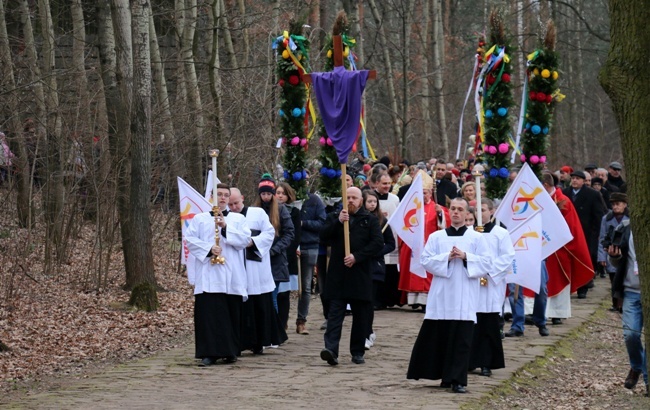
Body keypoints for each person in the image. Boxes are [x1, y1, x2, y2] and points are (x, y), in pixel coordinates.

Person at [407, 198, 491, 393]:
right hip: (442, 294)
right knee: (441, 337)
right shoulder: (437, 237)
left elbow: (487, 263)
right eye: (452, 209)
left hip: (465, 293)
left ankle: (458, 379)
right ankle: (445, 376)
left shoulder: (477, 238)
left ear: (467, 213)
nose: (455, 212)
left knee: (461, 339)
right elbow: (425, 260)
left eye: (460, 209)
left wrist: (466, 256)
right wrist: (446, 256)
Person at [185, 183, 251, 366]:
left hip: (231, 275)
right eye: (219, 194)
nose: (222, 198)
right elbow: (190, 239)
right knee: (210, 314)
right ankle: (209, 352)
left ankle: (230, 351)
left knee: (230, 313)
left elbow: (245, 240)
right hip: (209, 274)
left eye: (225, 195)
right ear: (212, 197)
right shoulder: (199, 219)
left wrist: (225, 228)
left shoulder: (238, 219)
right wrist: (208, 249)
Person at [319, 187, 384, 366]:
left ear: (361, 201)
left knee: (361, 316)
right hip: (338, 275)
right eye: (347, 197)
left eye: (354, 198)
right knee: (335, 315)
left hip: (360, 275)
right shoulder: (335, 217)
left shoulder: (369, 220)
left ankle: (357, 351)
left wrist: (357, 257)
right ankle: (331, 349)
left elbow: (378, 243)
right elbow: (323, 237)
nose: (351, 201)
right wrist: (338, 222)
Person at [228, 188, 287, 354]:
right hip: (237, 267)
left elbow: (269, 233)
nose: (233, 207)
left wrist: (253, 242)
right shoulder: (227, 218)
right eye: (230, 204)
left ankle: (260, 342)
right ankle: (239, 342)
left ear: (243, 199)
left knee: (260, 305)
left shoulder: (257, 213)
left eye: (236, 203)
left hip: (256, 267)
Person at [468, 199, 515, 377]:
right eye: (476, 210)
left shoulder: (500, 233)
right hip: (472, 283)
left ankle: (486, 362)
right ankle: (470, 360)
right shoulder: (470, 233)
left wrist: (488, 271)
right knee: (472, 324)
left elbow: (507, 256)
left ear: (492, 211)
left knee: (488, 324)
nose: (480, 214)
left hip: (490, 285)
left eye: (483, 210)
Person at [542, 172, 594, 323]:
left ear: (546, 185)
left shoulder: (563, 201)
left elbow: (570, 227)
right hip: (541, 246)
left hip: (558, 248)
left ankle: (558, 312)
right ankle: (539, 312)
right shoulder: (540, 200)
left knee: (557, 279)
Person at [607, 217, 648, 396]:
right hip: (631, 291)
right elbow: (618, 262)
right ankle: (637, 366)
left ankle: (648, 381)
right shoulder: (626, 228)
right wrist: (613, 256)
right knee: (631, 334)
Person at [398, 171, 450, 311]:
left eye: (425, 192)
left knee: (427, 274)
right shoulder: (411, 208)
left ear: (431, 192)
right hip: (414, 247)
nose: (423, 195)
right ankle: (414, 300)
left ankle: (426, 301)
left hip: (430, 246)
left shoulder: (437, 208)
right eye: (420, 192)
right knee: (414, 273)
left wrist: (440, 214)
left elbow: (444, 225)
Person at [252, 175, 295, 312]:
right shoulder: (254, 210)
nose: (266, 197)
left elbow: (289, 233)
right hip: (258, 258)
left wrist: (274, 250)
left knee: (272, 297)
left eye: (268, 194)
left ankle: (274, 329)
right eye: (263, 194)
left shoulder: (280, 210)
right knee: (259, 299)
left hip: (275, 260)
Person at [562, 170, 605, 298]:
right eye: (573, 178)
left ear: (583, 181)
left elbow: (598, 215)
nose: (574, 181)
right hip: (567, 232)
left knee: (584, 259)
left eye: (577, 179)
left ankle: (583, 286)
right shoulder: (564, 193)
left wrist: (596, 233)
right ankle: (568, 286)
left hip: (586, 233)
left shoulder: (592, 194)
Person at [362, 190, 395, 349]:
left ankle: (367, 332)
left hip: (375, 267)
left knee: (369, 301)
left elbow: (391, 243)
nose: (372, 204)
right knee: (361, 302)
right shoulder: (358, 219)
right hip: (360, 264)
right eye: (369, 201)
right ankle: (362, 331)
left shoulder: (383, 221)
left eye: (374, 202)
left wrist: (377, 251)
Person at [295, 186, 326, 335]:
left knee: (306, 286)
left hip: (310, 245)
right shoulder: (286, 199)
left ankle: (302, 320)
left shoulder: (314, 200)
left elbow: (321, 222)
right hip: (291, 247)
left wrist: (303, 223)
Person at [275, 182, 301, 330]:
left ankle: (282, 323)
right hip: (272, 256)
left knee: (284, 294)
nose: (280, 196)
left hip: (287, 256)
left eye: (283, 193)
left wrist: (285, 251)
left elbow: (295, 236)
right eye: (278, 192)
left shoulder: (294, 212)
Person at [375, 172, 402, 309]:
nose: (386, 186)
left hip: (392, 235)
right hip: (377, 235)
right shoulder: (372, 198)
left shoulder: (395, 199)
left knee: (391, 270)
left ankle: (391, 298)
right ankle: (378, 299)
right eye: (384, 184)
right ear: (376, 183)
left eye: (388, 184)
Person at [598, 192, 630, 308]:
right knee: (613, 279)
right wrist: (602, 257)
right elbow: (602, 238)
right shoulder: (606, 219)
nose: (615, 207)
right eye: (613, 204)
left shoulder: (630, 218)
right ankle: (615, 303)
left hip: (626, 253)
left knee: (624, 278)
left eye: (618, 204)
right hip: (611, 251)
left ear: (625, 204)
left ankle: (623, 303)